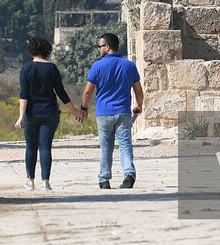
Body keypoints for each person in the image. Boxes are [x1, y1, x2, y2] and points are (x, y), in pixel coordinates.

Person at [79, 32, 143, 189]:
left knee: (106, 147)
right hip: (123, 111)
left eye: (100, 46)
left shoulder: (97, 66)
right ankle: (129, 174)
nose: (99, 48)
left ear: (107, 47)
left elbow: (88, 91)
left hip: (103, 112)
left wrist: (84, 108)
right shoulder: (129, 65)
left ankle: (104, 179)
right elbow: (138, 91)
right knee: (125, 144)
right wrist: (139, 105)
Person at [15, 36, 77, 191]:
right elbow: (61, 93)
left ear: (31, 51)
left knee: (30, 147)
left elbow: (24, 95)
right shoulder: (52, 68)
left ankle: (30, 181)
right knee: (45, 147)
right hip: (50, 113)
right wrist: (74, 111)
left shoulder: (26, 69)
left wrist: (21, 116)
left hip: (31, 114)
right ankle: (46, 182)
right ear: (47, 50)